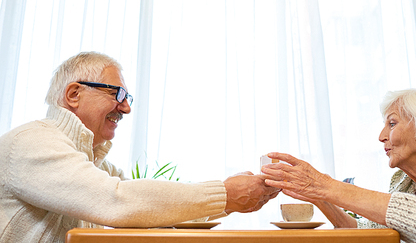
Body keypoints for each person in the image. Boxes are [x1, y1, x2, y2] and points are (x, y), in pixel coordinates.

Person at [0, 51, 280, 243]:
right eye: (117, 94)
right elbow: (118, 200)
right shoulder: (31, 142)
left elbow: (149, 209)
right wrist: (227, 194)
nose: (126, 107)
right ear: (74, 94)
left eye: (128, 96)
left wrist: (230, 200)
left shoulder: (95, 163)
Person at [262, 88, 416, 243]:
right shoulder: (405, 183)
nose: (381, 136)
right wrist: (319, 196)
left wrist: (327, 185)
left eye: (392, 123)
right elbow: (364, 231)